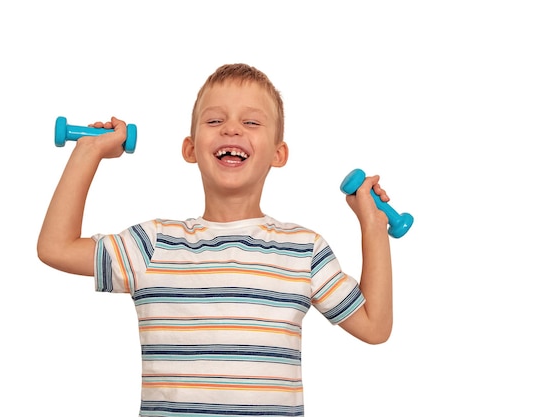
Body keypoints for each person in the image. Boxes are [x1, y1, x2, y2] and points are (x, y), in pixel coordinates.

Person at [37, 63, 393, 417]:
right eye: (214, 121)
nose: (232, 129)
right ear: (190, 149)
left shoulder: (303, 249)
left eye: (251, 122)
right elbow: (56, 247)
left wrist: (373, 227)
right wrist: (89, 151)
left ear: (277, 153)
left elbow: (374, 327)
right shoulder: (154, 244)